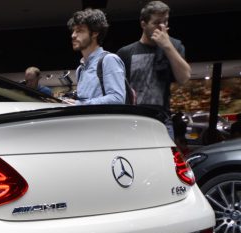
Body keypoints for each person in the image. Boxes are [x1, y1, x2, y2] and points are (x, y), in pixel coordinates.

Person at [117, 1, 191, 137]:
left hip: (162, 121)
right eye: (157, 23)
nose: (162, 27)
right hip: (132, 120)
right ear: (143, 24)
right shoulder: (126, 53)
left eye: (166, 22)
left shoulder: (174, 46)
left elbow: (184, 78)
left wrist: (167, 46)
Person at [66, 8, 126, 105]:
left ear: (95, 33)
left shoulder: (109, 60)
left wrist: (79, 104)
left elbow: (117, 98)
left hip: (105, 120)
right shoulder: (80, 69)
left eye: (79, 30)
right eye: (73, 31)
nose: (73, 35)